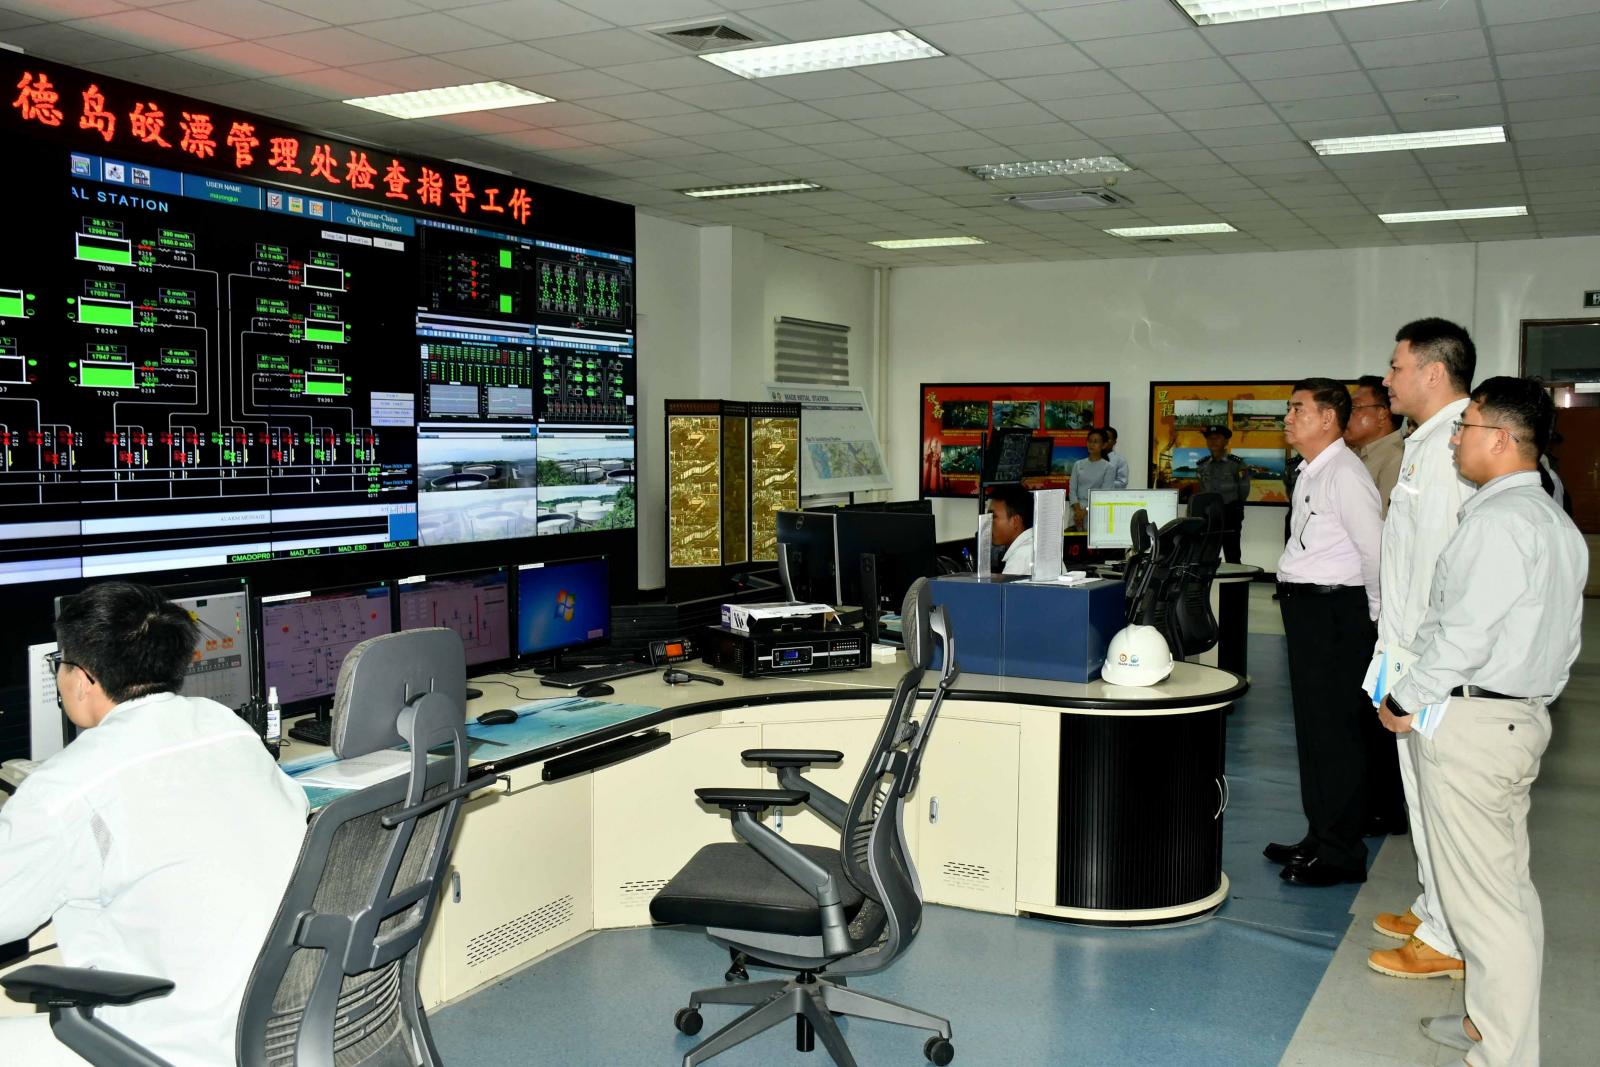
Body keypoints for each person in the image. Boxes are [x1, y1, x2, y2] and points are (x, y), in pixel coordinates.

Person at [0, 582, 309, 1066]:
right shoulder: (228, 728)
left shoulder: (67, 787)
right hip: (282, 1025)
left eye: (60, 663)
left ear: (83, 679)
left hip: (162, 1043)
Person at [1378, 377, 1585, 1067]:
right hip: (1514, 718)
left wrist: (1405, 698)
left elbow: (1462, 635)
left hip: (1475, 723)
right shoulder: (1550, 518)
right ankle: (1489, 1024)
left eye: (1465, 427)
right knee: (1505, 891)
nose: (1455, 441)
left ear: (1499, 438)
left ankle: (1505, 1052)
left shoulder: (1500, 523)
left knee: (1485, 905)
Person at [1367, 317, 1477, 982]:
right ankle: (1434, 906)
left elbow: (1441, 570)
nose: (1387, 379)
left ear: (1433, 373)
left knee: (1438, 796)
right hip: (1405, 651)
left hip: (1426, 658)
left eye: (1396, 366)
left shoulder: (1448, 448)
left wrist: (1416, 676)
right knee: (1418, 789)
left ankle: (1447, 936)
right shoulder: (1427, 440)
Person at [1265, 378, 1383, 887]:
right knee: (1314, 730)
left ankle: (1342, 852)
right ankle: (1320, 834)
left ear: (1329, 418)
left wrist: (1376, 616)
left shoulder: (1345, 475)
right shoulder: (1312, 470)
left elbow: (1375, 551)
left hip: (1337, 613)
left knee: (1336, 734)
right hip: (1310, 611)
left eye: (1298, 409)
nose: (1288, 418)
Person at [1341, 374, 1408, 838]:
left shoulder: (1395, 460)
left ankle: (1386, 806)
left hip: (1381, 602)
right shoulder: (1363, 458)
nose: (1349, 416)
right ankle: (1373, 800)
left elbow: (1380, 539)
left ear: (1382, 415)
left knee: (1379, 707)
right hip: (1368, 598)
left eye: (1357, 407)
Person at [1345, 374, 1406, 515]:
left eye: (1353, 407)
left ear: (1382, 414)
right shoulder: (1354, 454)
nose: (1345, 415)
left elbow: (1384, 521)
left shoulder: (1397, 460)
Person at [1194, 425, 1250, 562]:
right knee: (1207, 556)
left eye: (1217, 438)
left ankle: (1235, 578)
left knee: (1232, 555)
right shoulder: (1202, 465)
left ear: (1226, 441)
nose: (1213, 441)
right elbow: (1202, 489)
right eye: (1210, 438)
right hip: (1209, 515)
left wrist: (1234, 507)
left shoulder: (1236, 464)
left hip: (1230, 514)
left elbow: (1244, 490)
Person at [1067, 428, 1117, 530]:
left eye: (1096, 442)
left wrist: (1085, 512)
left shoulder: (1108, 468)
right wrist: (1078, 512)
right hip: (1076, 513)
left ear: (1104, 445)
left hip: (1096, 512)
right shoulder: (1078, 464)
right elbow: (1072, 490)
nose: (1091, 444)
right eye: (1090, 441)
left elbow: (1104, 495)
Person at [987, 483, 1035, 575]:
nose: (988, 523)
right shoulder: (1035, 546)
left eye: (993, 517)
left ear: (1015, 521)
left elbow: (1006, 585)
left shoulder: (1021, 555)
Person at [1101, 425, 1130, 490]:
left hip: (1111, 495)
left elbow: (1122, 483)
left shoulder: (1120, 461)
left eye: (1107, 438)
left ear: (1114, 442)